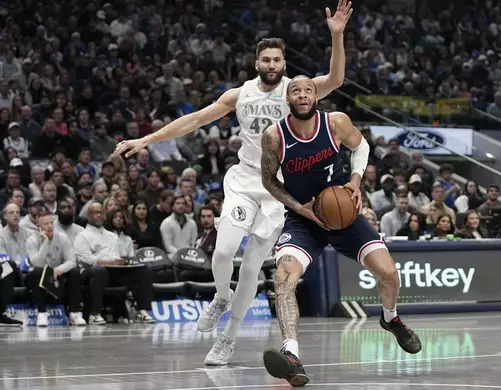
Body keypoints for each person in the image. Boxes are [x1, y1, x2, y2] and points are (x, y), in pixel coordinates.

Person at [114, 1, 352, 366]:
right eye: (266, 60)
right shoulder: (239, 95)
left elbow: (335, 80)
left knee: (254, 267)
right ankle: (220, 298)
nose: (272, 65)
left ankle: (227, 339)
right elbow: (193, 120)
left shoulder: (297, 92)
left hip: (280, 192)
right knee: (223, 252)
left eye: (277, 60)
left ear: (284, 64)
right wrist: (145, 140)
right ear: (257, 63)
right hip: (244, 181)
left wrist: (337, 36)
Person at [260, 75, 421, 386]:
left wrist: (356, 183)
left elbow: (361, 147)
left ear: (316, 96)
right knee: (283, 278)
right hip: (304, 218)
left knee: (389, 274)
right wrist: (298, 206)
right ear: (287, 99)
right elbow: (269, 181)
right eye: (296, 91)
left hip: (343, 212)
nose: (303, 95)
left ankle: (390, 319)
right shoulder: (274, 136)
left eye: (308, 90)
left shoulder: (335, 123)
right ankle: (291, 354)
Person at [74, 203, 155, 324]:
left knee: (145, 269)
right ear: (89, 216)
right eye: (96, 212)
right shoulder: (82, 236)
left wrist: (122, 262)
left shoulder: (112, 236)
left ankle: (142, 311)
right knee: (99, 270)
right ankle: (94, 314)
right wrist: (109, 262)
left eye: (101, 212)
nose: (99, 215)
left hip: (113, 271)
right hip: (91, 272)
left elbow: (115, 256)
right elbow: (86, 260)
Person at [25, 210, 85, 327]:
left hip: (57, 273)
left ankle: (74, 313)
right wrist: (45, 243)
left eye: (51, 223)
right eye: (45, 224)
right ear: (39, 227)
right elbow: (37, 263)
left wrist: (59, 269)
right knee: (36, 272)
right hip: (38, 276)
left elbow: (72, 261)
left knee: (75, 272)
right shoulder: (31, 240)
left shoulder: (62, 238)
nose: (49, 226)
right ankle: (42, 313)